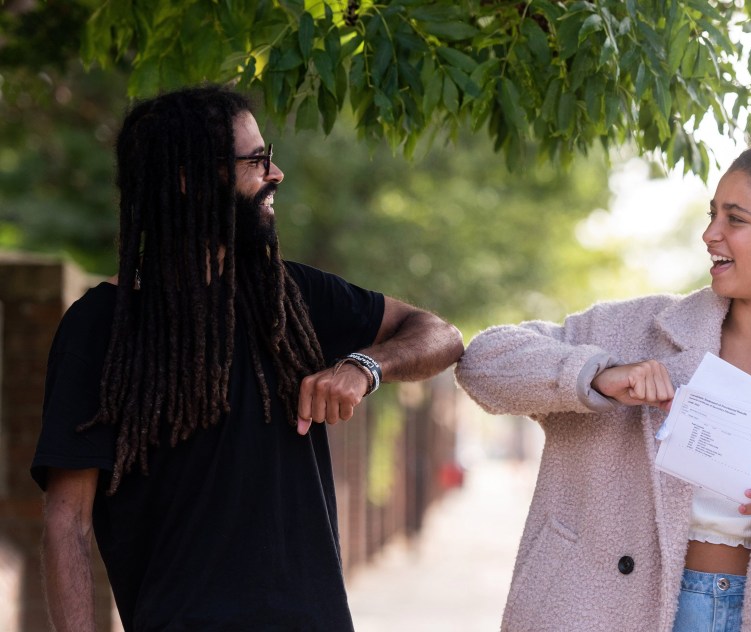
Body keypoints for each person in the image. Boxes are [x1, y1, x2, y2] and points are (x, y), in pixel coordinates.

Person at [32, 85, 463, 631]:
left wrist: (365, 367)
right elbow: (67, 520)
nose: (276, 172)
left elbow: (442, 335)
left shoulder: (293, 297)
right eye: (256, 160)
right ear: (189, 177)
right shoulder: (101, 326)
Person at [456, 113, 751, 631]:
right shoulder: (634, 332)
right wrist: (596, 375)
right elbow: (482, 361)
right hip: (601, 613)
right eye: (713, 214)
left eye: (735, 220)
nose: (710, 234)